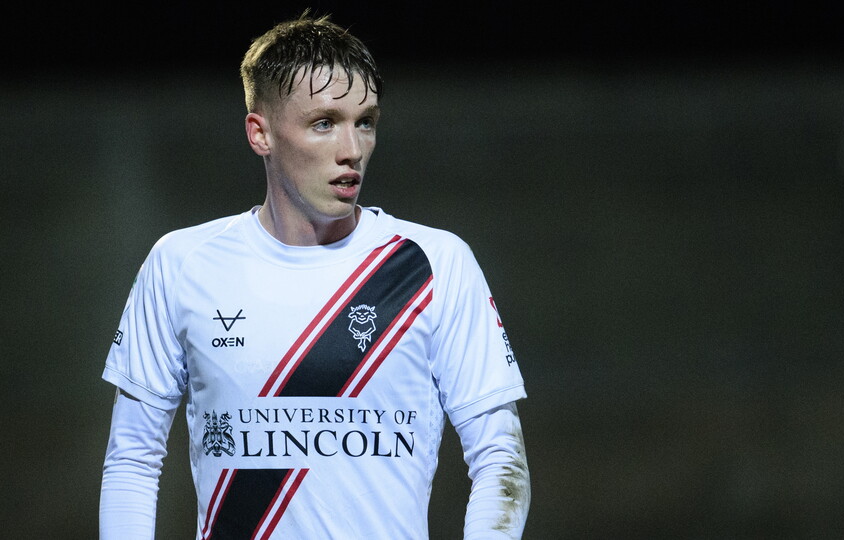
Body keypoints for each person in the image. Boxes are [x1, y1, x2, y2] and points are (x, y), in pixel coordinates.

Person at [98, 12, 530, 539]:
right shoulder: (181, 264)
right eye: (324, 123)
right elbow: (133, 462)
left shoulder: (434, 264)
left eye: (365, 121)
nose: (351, 149)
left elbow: (500, 460)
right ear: (260, 133)